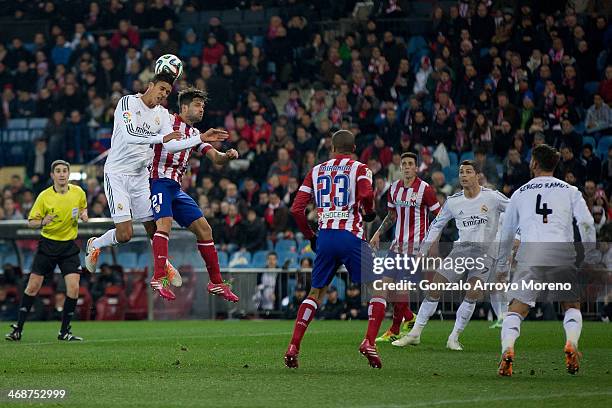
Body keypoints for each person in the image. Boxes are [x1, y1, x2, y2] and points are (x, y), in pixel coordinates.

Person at [497, 144, 596, 376]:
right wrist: (590, 254)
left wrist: (502, 262)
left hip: (530, 254)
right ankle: (572, 342)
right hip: (561, 252)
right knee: (571, 305)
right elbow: (587, 223)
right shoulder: (570, 190)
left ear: (534, 164)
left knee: (516, 310)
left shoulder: (520, 193)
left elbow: (508, 233)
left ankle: (508, 349)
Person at [284, 130, 380, 369]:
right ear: (354, 148)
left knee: (315, 293)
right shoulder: (360, 168)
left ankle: (294, 346)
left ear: (332, 148)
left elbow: (296, 210)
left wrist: (311, 236)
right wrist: (368, 211)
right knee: (378, 288)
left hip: (325, 236)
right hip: (351, 237)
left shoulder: (316, 171)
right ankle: (369, 341)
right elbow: (366, 193)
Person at [392, 160, 509, 351]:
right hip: (461, 250)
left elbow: (515, 212)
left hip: (486, 252)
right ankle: (414, 334)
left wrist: (518, 236)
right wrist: (423, 250)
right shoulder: (454, 201)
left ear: (477, 176)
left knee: (472, 293)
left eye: (468, 172)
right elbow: (436, 224)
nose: (463, 175)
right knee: (434, 288)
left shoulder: (493, 198)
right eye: (461, 172)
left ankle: (453, 337)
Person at [148, 87, 239, 302]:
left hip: (176, 189)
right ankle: (159, 278)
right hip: (157, 181)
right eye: (198, 105)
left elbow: (215, 158)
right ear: (184, 107)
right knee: (165, 224)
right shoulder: (166, 120)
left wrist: (227, 155)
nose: (202, 109)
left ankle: (216, 282)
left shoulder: (196, 134)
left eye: (203, 106)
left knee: (205, 229)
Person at [6, 160, 88, 341]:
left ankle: (64, 331)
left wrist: (84, 214)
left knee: (73, 289)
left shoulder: (78, 192)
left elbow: (83, 207)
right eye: (57, 171)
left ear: (68, 174)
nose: (61, 174)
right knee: (33, 286)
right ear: (52, 175)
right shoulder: (44, 196)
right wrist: (43, 221)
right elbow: (31, 222)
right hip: (48, 245)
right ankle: (18, 329)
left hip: (69, 246)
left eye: (64, 171)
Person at [369, 152, 441, 343]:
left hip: (415, 249)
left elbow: (440, 218)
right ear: (400, 167)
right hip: (396, 247)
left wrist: (431, 246)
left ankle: (394, 329)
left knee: (400, 290)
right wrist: (377, 234)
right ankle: (409, 318)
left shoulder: (425, 190)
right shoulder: (394, 189)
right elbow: (392, 216)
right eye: (404, 164)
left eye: (411, 164)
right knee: (386, 288)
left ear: (416, 168)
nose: (407, 167)